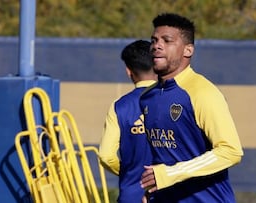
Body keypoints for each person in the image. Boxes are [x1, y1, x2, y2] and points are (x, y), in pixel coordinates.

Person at [140, 13, 244, 203]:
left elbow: (231, 151)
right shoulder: (148, 97)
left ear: (188, 50)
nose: (157, 45)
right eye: (154, 40)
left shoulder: (203, 92)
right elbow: (164, 155)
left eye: (167, 40)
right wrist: (152, 190)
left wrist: (172, 173)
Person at [98, 39, 157, 203]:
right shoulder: (176, 101)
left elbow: (106, 156)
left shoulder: (119, 107)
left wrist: (130, 172)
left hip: (131, 195)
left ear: (128, 71)